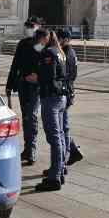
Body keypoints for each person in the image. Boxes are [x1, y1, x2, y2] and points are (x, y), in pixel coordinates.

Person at [29, 29, 70, 192]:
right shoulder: (60, 52)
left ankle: (54, 177)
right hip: (61, 98)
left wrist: (36, 78)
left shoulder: (49, 53)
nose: (39, 43)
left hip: (51, 98)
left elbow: (49, 76)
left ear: (45, 39)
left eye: (39, 39)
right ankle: (58, 172)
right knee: (59, 136)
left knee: (54, 138)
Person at [6, 17, 43, 165]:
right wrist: (9, 84)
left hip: (36, 86)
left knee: (32, 116)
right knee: (26, 116)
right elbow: (15, 65)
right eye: (27, 26)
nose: (28, 28)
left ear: (38, 27)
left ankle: (32, 148)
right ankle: (27, 148)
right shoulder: (22, 43)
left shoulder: (42, 43)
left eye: (31, 26)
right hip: (22, 83)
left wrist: (39, 76)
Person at [61, 32, 84, 165]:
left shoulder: (66, 54)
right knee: (62, 125)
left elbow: (68, 75)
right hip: (68, 91)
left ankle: (70, 153)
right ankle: (73, 150)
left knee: (62, 126)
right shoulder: (70, 52)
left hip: (65, 92)